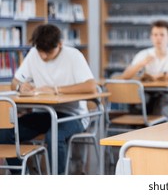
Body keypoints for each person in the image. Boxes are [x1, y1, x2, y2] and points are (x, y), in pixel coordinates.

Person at [0, 24, 96, 175]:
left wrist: (55, 89)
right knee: (5, 134)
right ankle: (23, 179)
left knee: (54, 136)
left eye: (48, 52)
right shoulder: (33, 54)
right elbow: (15, 82)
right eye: (40, 51)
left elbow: (91, 86)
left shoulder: (73, 55)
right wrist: (20, 87)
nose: (44, 56)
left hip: (74, 115)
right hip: (44, 113)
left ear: (60, 45)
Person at [120, 20, 168, 119]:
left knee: (163, 108)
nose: (158, 38)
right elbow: (125, 76)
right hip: (147, 92)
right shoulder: (144, 54)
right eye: (155, 35)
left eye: (162, 35)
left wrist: (163, 75)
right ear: (151, 37)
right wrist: (141, 63)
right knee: (138, 104)